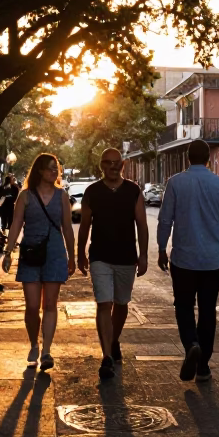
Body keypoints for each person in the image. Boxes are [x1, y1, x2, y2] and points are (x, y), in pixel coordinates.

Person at [156, 139, 219, 383]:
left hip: (183, 259)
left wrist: (162, 248)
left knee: (183, 306)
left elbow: (165, 220)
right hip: (212, 260)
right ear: (207, 159)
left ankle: (191, 343)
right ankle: (203, 366)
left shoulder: (175, 183)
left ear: (187, 158)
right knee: (207, 310)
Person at [78, 148, 149, 380]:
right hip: (100, 256)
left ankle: (114, 339)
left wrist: (144, 255)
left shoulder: (133, 191)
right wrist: (80, 254)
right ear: (101, 165)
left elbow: (142, 224)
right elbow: (85, 226)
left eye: (116, 162)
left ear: (123, 164)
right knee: (103, 304)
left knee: (121, 304)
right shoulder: (92, 192)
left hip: (127, 257)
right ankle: (106, 356)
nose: (112, 166)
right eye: (107, 163)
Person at [2, 153, 75, 372]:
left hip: (54, 254)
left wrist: (73, 256)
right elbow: (15, 224)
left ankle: (46, 351)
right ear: (40, 170)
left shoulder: (61, 196)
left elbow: (68, 229)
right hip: (31, 253)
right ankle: (34, 343)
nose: (55, 172)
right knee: (32, 306)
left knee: (50, 305)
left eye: (57, 169)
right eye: (51, 168)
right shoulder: (25, 196)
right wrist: (8, 252)